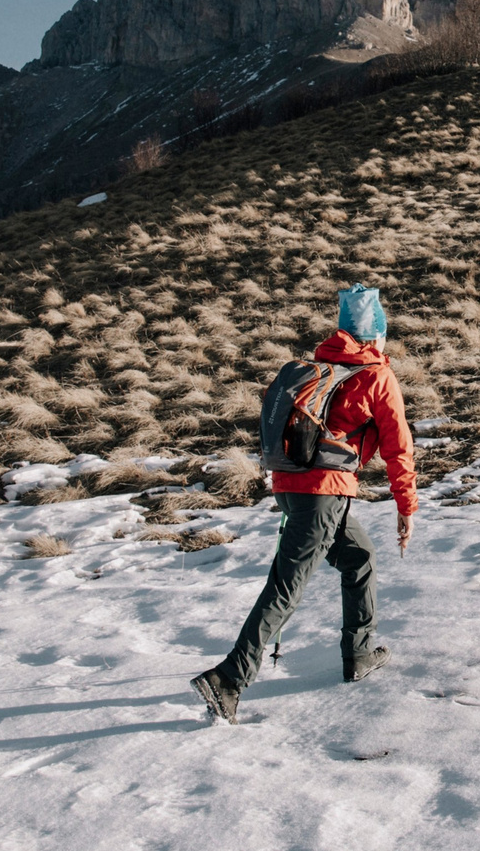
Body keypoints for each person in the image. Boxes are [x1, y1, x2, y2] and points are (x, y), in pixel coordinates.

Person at [192, 285, 416, 724]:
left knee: (359, 558)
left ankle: (359, 653)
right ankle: (229, 679)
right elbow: (398, 448)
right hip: (325, 492)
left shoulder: (318, 366)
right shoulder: (376, 375)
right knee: (287, 585)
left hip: (292, 485)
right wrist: (405, 506)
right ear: (376, 335)